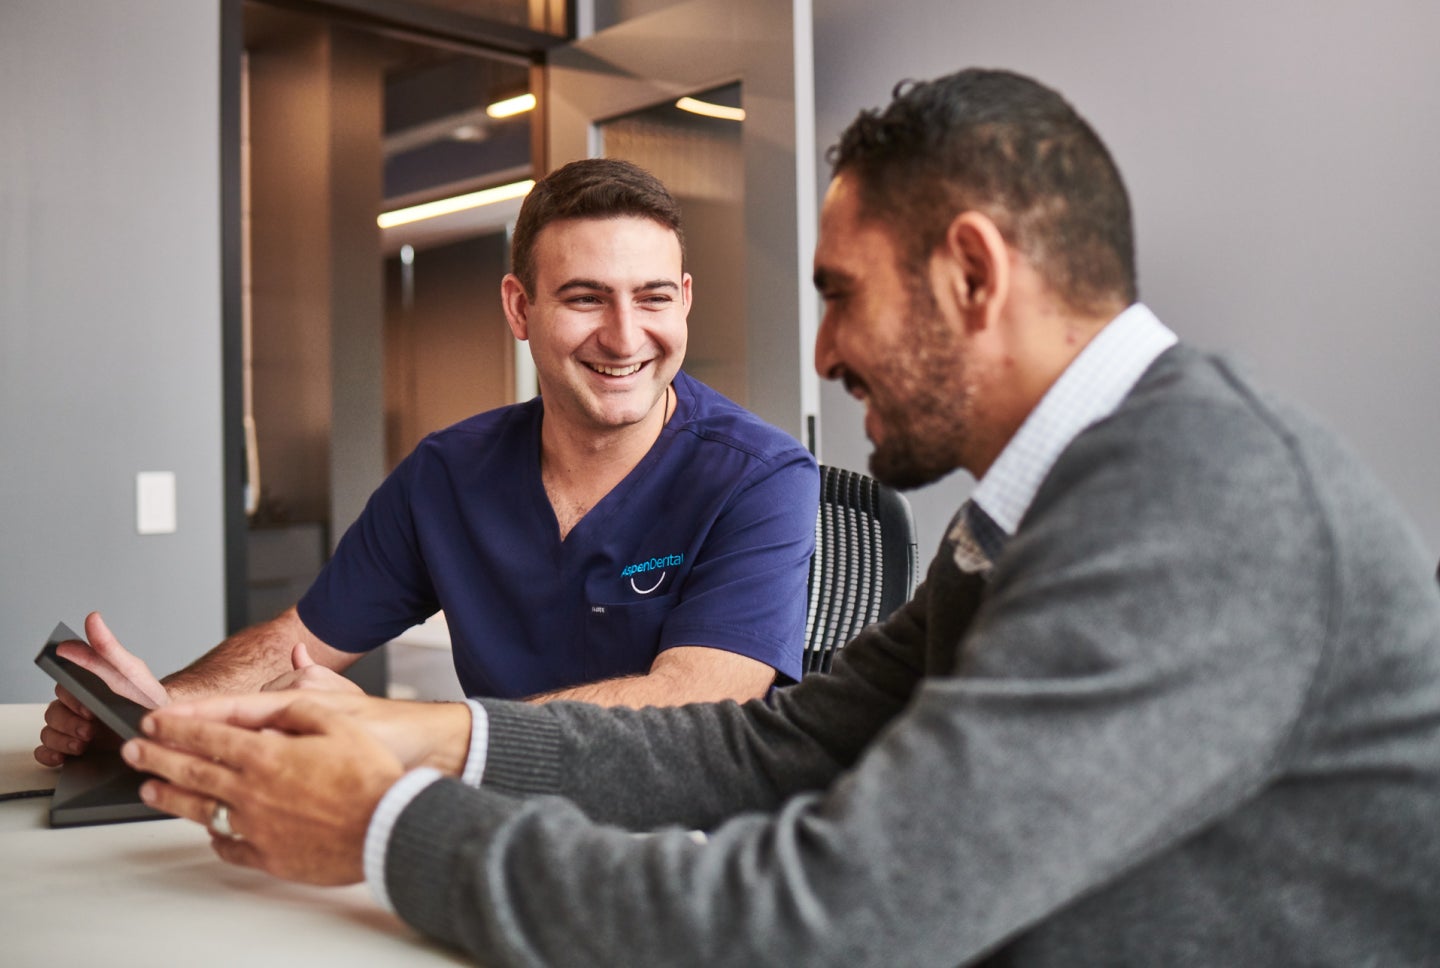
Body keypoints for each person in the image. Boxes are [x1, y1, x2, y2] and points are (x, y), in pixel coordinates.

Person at [122, 68, 1440, 966]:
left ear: (970, 274)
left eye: (840, 294)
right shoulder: (1031, 510)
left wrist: (388, 822)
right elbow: (769, 748)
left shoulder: (1204, 505)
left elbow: (828, 923)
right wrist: (420, 737)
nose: (819, 354)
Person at [36, 158, 818, 767]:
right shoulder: (449, 473)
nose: (623, 336)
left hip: (686, 836)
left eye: (652, 298)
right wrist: (157, 707)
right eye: (585, 298)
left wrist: (399, 729)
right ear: (520, 307)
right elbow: (299, 642)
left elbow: (694, 700)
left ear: (684, 300)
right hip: (496, 814)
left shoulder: (759, 476)